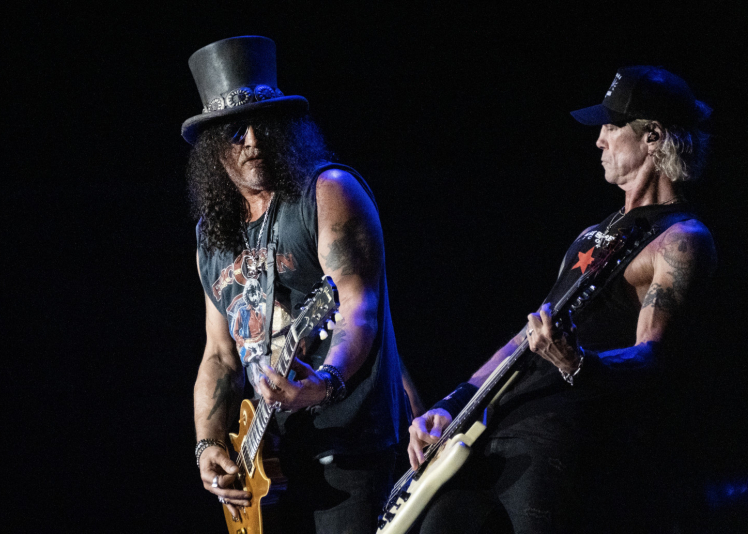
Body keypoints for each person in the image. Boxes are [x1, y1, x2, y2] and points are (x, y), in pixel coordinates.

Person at [407, 66, 717, 533]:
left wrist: (579, 363)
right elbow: (524, 338)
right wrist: (453, 403)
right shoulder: (591, 234)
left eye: (611, 127)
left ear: (653, 136)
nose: (599, 140)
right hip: (492, 432)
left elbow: (654, 356)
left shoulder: (680, 239)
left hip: (559, 443)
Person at [183, 36, 410, 533]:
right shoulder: (212, 235)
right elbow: (220, 354)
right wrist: (209, 443)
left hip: (346, 444)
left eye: (263, 124)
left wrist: (324, 382)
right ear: (212, 147)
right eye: (235, 131)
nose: (252, 140)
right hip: (266, 457)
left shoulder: (327, 192)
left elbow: (357, 304)